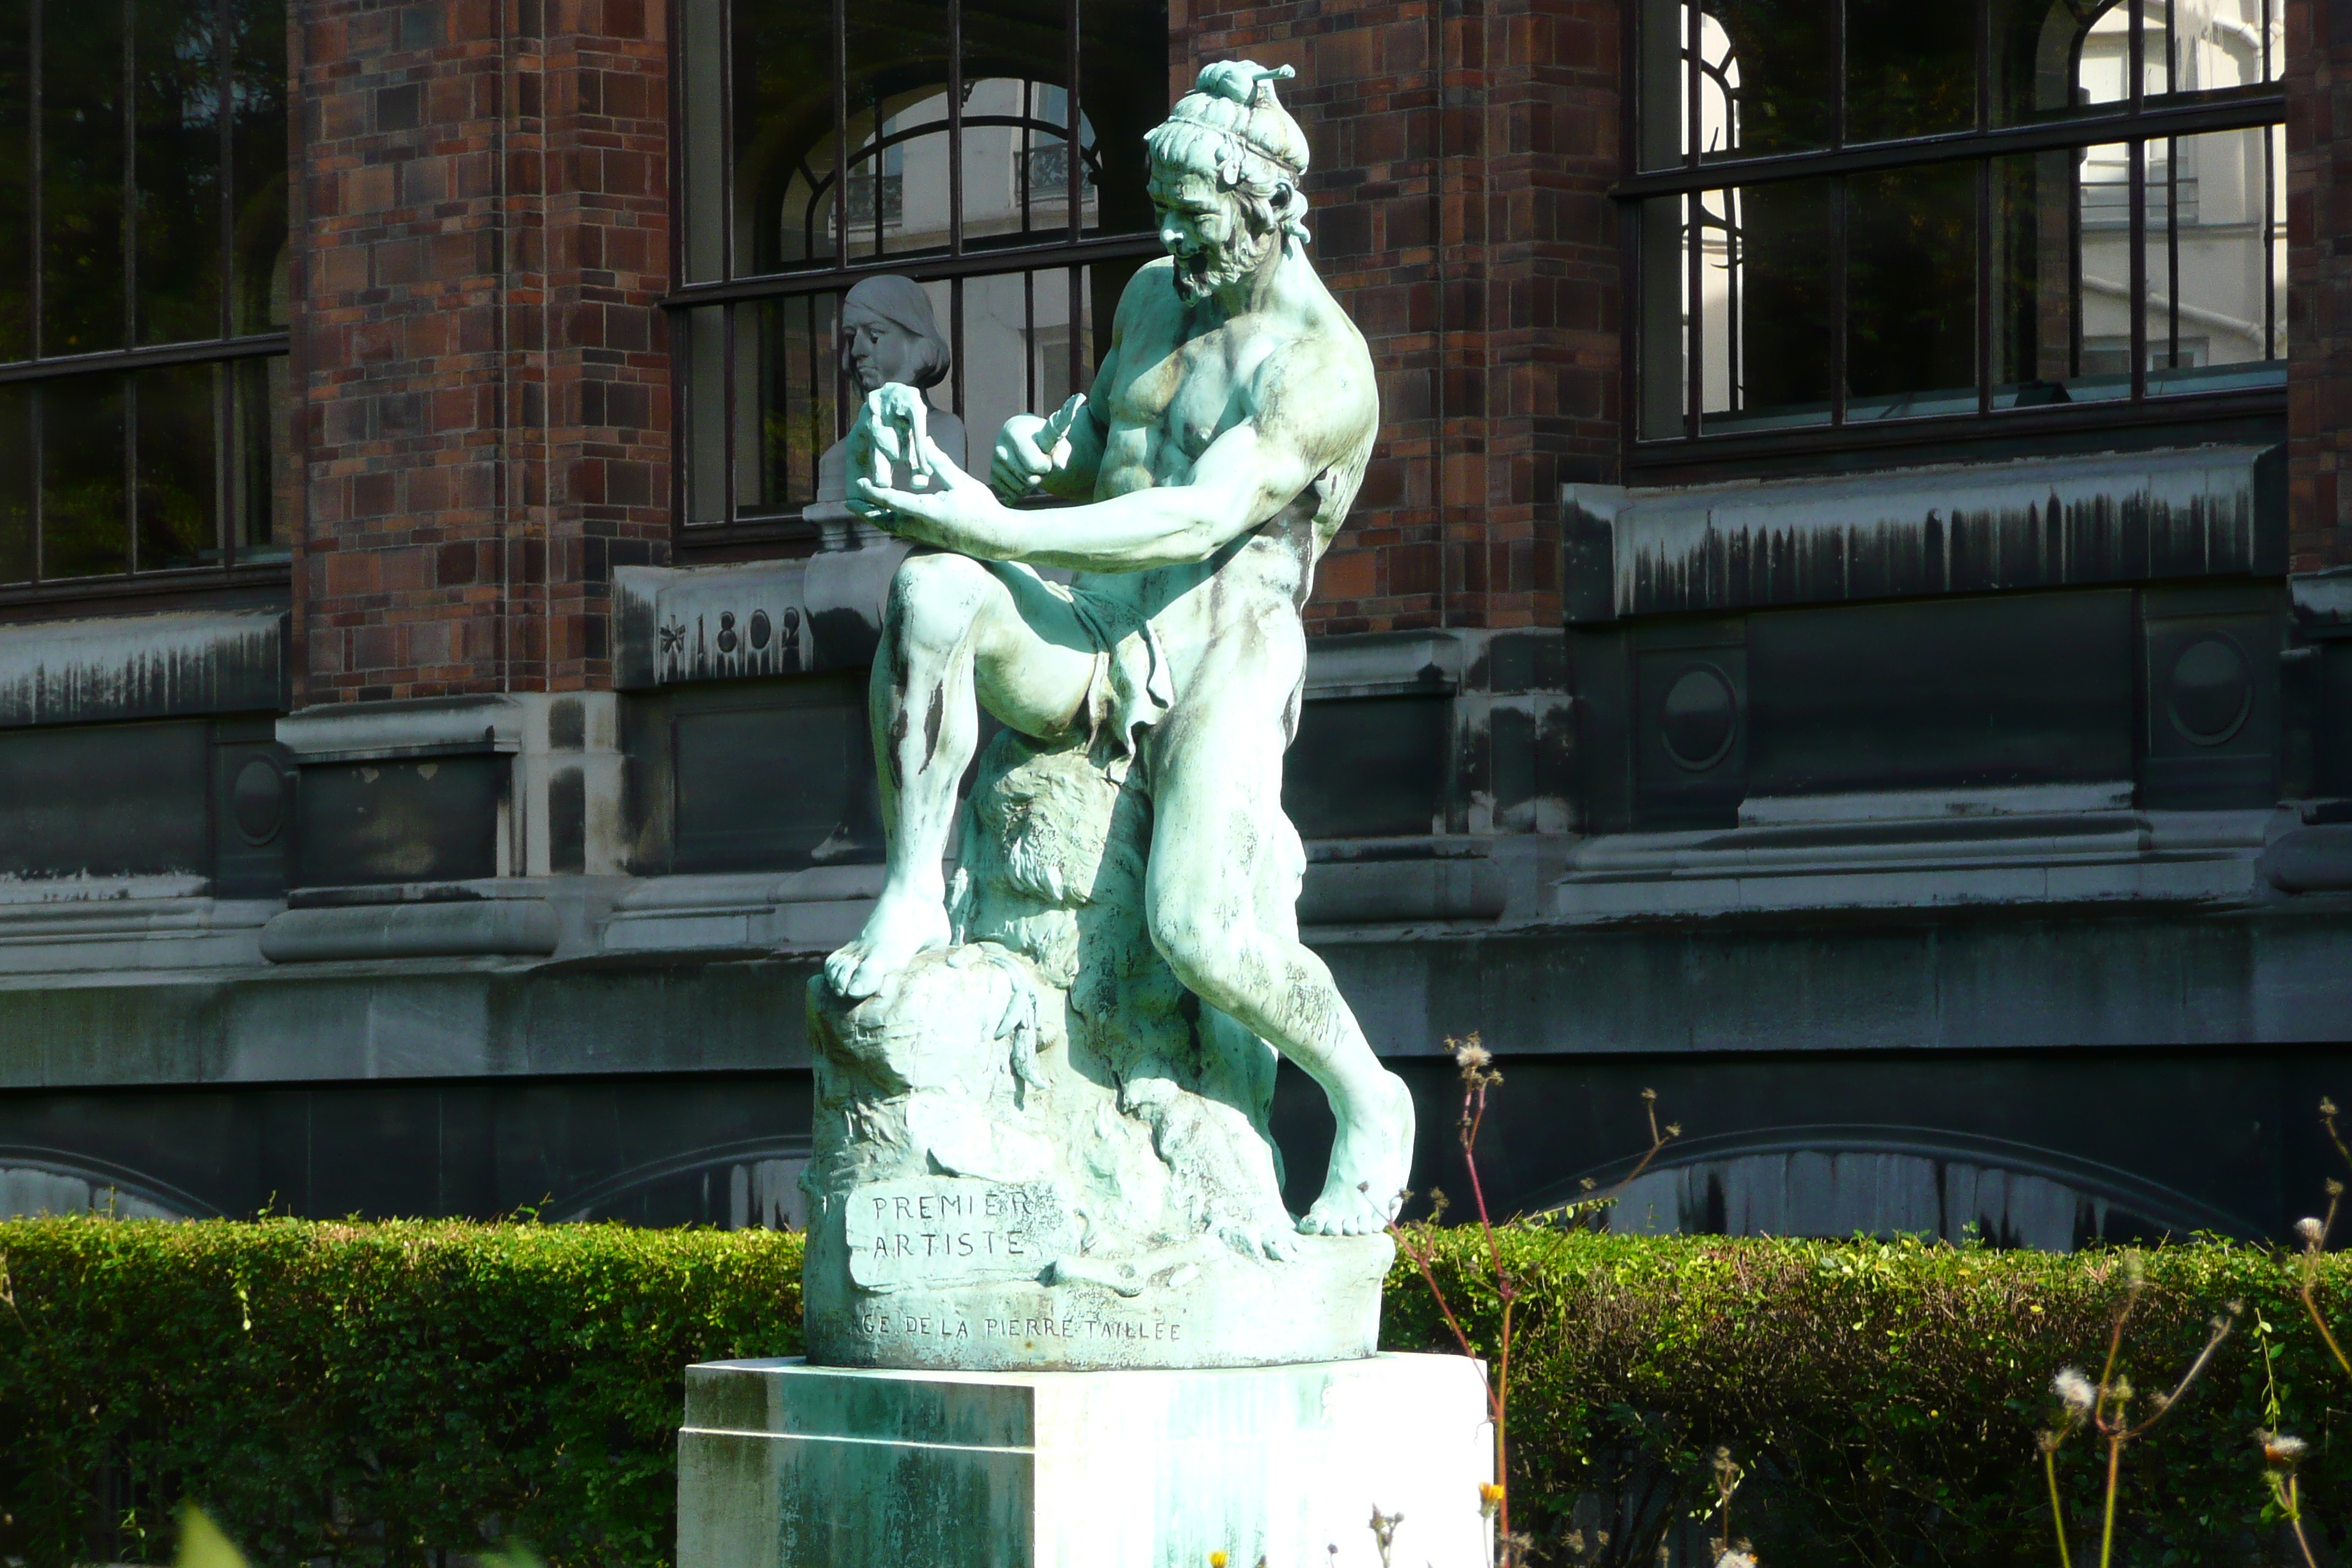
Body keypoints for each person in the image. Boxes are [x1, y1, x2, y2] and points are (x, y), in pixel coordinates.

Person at [823, 61, 1414, 1239]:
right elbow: (1100, 449)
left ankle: (1369, 1096)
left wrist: (994, 521)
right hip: (1099, 623)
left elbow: (1200, 515)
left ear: (1271, 212)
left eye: (1197, 220)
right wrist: (1027, 462)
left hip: (1225, 645)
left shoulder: (1325, 366)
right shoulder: (1156, 293)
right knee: (935, 593)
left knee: (1197, 924)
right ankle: (909, 898)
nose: (1174, 241)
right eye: (1168, 216)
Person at [814, 275, 966, 503]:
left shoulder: (946, 433)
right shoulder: (836, 459)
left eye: (874, 335)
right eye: (851, 336)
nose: (857, 351)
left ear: (917, 340)